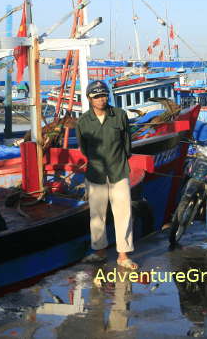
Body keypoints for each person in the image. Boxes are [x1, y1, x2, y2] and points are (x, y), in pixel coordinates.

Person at [76, 80, 138, 270]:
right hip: (95, 174)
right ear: (89, 99)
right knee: (97, 215)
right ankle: (99, 252)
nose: (101, 99)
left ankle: (123, 255)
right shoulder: (83, 121)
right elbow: (84, 149)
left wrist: (118, 160)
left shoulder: (120, 115)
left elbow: (127, 145)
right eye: (96, 96)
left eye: (103, 95)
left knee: (123, 213)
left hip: (119, 171)